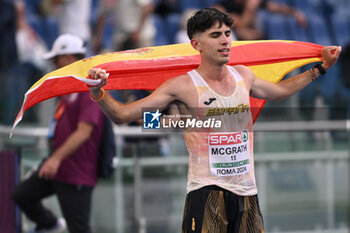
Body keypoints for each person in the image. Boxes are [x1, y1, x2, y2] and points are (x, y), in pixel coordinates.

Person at [88, 8, 341, 232]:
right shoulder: (183, 86)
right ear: (196, 44)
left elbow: (281, 92)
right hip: (206, 193)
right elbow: (122, 116)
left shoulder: (244, 75)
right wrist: (99, 93)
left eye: (227, 34)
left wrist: (319, 69)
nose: (225, 41)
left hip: (246, 194)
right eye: (215, 35)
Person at [12, 34, 105, 233]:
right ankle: (49, 224)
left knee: (79, 229)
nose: (55, 65)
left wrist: (55, 159)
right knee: (21, 195)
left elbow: (84, 131)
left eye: (56, 60)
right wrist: (53, 160)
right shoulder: (68, 89)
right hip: (57, 167)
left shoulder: (91, 89)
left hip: (76, 174)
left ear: (68, 58)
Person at [213, 0, 308, 40]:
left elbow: (275, 7)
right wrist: (250, 9)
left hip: (256, 36)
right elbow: (241, 25)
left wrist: (294, 12)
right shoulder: (226, 4)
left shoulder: (253, 2)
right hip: (238, 39)